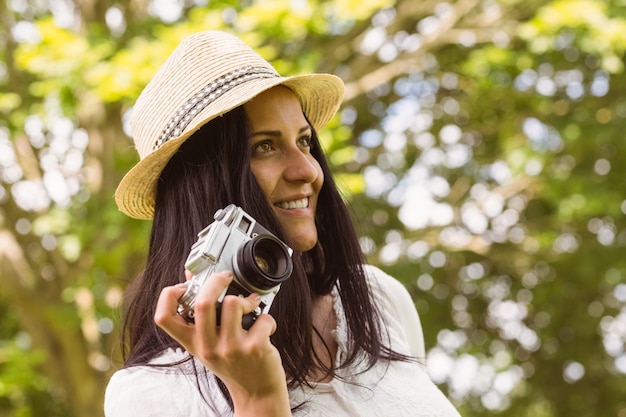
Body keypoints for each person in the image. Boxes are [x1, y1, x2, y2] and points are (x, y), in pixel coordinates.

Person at [104, 30, 461, 417]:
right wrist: (258, 400)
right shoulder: (151, 394)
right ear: (200, 185)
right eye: (265, 147)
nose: (308, 169)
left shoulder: (377, 300)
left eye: (305, 141)